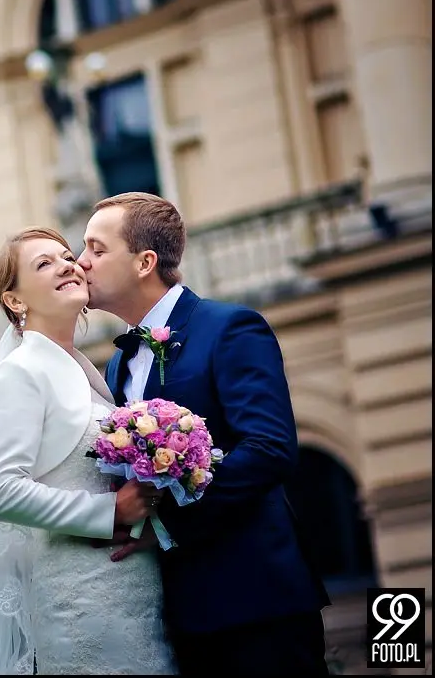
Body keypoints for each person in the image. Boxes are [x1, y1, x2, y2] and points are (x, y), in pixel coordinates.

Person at [77, 192, 331, 676]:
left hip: (257, 601)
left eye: (97, 249)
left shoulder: (230, 328)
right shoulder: (117, 365)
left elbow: (268, 450)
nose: (81, 263)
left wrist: (163, 522)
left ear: (144, 262)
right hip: (179, 617)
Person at [0, 225, 176, 675]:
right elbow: (1, 492)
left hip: (133, 588)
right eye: (43, 263)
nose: (67, 265)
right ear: (15, 300)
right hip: (82, 598)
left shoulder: (86, 370)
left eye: (66, 256)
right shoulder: (21, 372)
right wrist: (111, 510)